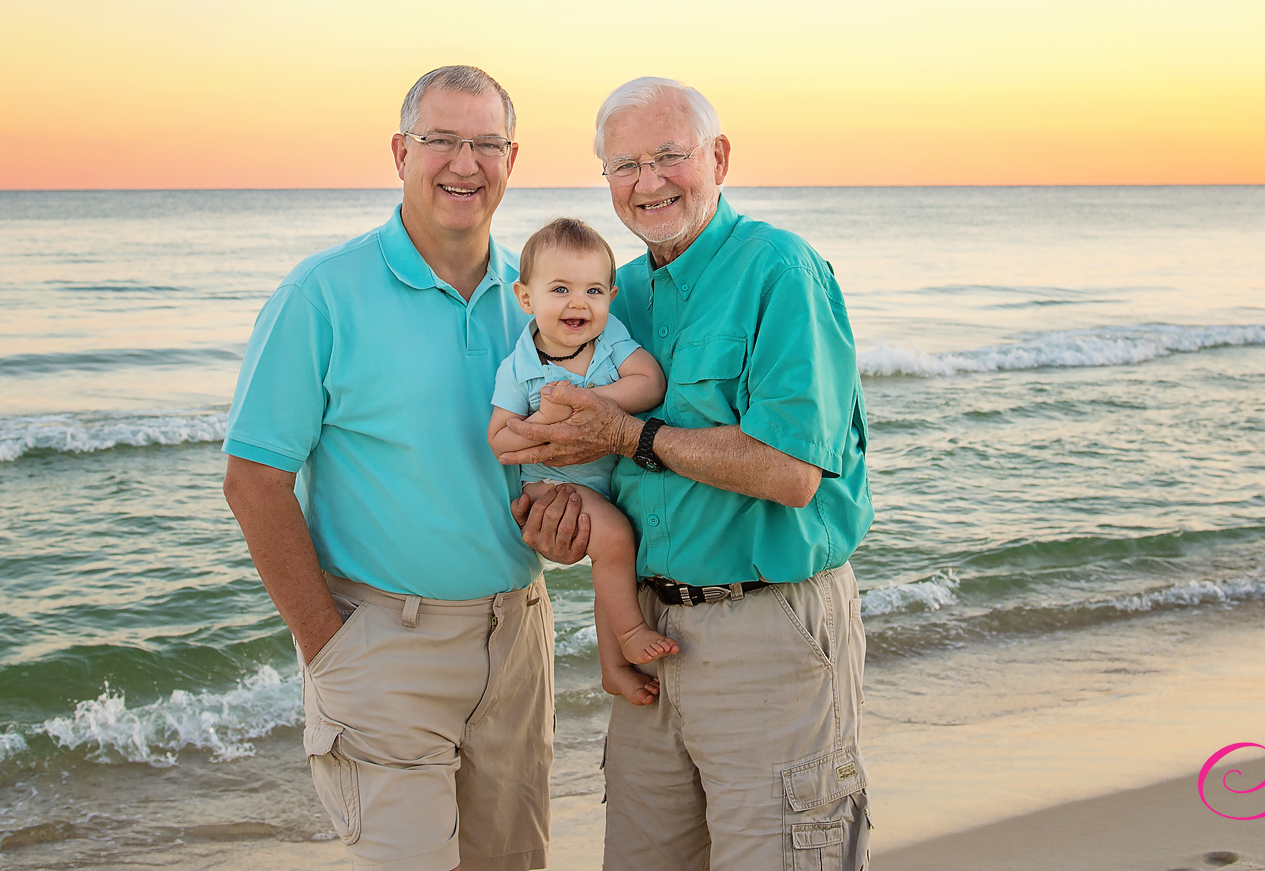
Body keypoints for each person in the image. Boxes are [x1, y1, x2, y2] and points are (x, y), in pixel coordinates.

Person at [504, 76, 875, 870]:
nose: (648, 181)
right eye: (624, 164)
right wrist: (566, 519)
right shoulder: (616, 293)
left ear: (719, 157)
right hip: (648, 634)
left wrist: (634, 433)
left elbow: (793, 472)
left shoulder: (781, 269)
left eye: (670, 155)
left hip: (768, 634)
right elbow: (607, 464)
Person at [223, 65, 580, 871]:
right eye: (441, 140)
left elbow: (563, 454)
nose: (465, 162)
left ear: (511, 158)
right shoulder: (322, 293)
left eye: (486, 143)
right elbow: (253, 481)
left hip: (517, 639)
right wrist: (329, 645)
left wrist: (563, 519)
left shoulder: (541, 299)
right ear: (400, 152)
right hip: (383, 645)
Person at [488, 216, 677, 708]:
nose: (578, 303)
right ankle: (632, 634)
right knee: (614, 540)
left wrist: (590, 399)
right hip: (547, 485)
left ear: (611, 296)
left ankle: (613, 668)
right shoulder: (520, 367)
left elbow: (649, 383)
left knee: (613, 569)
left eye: (594, 290)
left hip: (603, 483)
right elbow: (500, 440)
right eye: (559, 289)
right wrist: (548, 419)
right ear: (526, 298)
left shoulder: (610, 338)